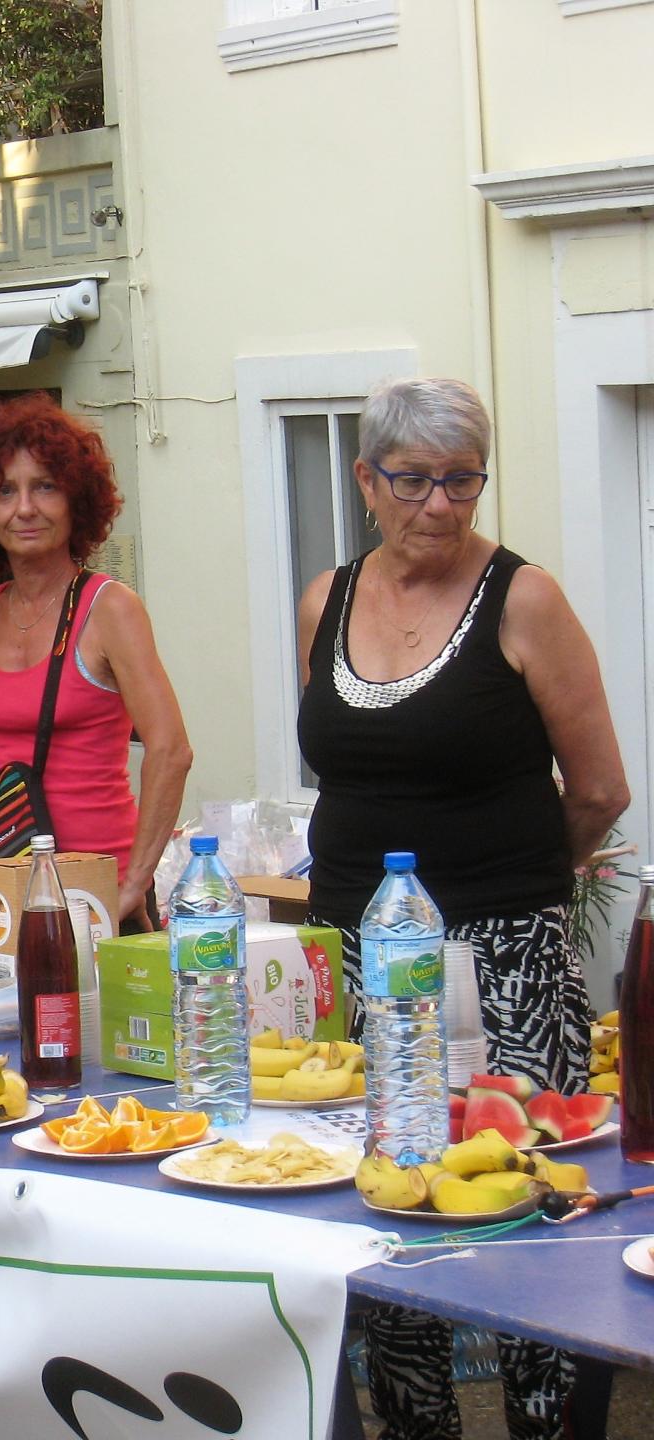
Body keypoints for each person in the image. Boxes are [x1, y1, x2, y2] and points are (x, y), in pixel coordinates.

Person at [297, 377, 628, 1440]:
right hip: (360, 958)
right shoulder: (326, 600)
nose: (440, 505)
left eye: (462, 481)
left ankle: (544, 1423)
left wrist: (520, 884)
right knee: (389, 1197)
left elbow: (601, 788)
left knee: (518, 1203)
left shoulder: (525, 600)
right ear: (366, 481)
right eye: (414, 481)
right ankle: (409, 1418)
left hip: (509, 961)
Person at [0, 395, 190, 933]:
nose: (24, 508)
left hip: (99, 894)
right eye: (4, 491)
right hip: (8, 891)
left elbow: (171, 750)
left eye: (44, 486)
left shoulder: (110, 608)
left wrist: (136, 883)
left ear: (75, 499)